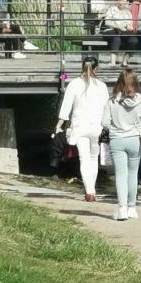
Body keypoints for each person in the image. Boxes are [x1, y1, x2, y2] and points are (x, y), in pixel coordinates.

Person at [53, 56, 109, 202]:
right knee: (93, 159)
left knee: (84, 159)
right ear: (96, 69)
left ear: (82, 67)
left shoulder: (74, 84)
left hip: (79, 126)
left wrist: (58, 126)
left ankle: (89, 191)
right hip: (97, 127)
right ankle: (93, 190)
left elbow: (66, 108)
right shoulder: (101, 86)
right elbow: (106, 109)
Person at [101, 66, 141, 221]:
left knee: (120, 175)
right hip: (135, 139)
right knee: (133, 174)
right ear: (135, 83)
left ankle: (121, 209)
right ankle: (132, 208)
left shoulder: (112, 100)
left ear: (119, 83)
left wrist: (115, 126)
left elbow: (104, 123)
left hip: (117, 140)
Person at [99, 0, 135, 66]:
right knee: (116, 38)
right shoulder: (112, 9)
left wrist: (130, 27)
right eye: (120, 0)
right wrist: (118, 27)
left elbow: (130, 25)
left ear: (127, 3)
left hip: (123, 32)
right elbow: (107, 22)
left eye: (123, 1)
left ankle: (124, 61)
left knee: (134, 40)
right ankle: (113, 63)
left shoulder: (128, 13)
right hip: (110, 30)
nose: (121, 2)